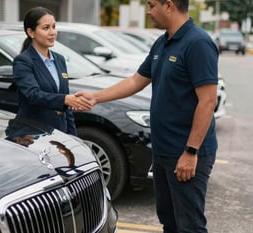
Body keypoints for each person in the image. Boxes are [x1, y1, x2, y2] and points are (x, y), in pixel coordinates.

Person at [76, 0, 218, 232]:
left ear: (169, 5)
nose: (149, 11)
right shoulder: (162, 43)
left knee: (189, 224)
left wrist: (191, 152)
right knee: (169, 220)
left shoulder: (198, 43)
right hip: (163, 151)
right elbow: (135, 81)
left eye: (152, 5)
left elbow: (208, 101)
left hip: (186, 153)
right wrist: (95, 97)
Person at [13, 6, 91, 135]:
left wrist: (72, 137)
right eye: (46, 28)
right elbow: (33, 95)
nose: (52, 32)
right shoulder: (23, 61)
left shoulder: (59, 59)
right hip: (33, 133)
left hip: (60, 132)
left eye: (54, 27)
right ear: (31, 32)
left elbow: (67, 105)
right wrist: (65, 99)